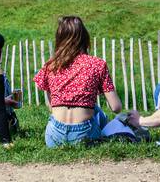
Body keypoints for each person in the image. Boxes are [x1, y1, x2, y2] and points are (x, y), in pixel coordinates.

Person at [34, 16, 129, 146]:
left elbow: (52, 107)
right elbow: (116, 107)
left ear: (59, 38)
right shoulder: (97, 64)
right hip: (84, 135)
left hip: (54, 136)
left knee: (91, 108)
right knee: (96, 110)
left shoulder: (50, 66)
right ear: (84, 37)